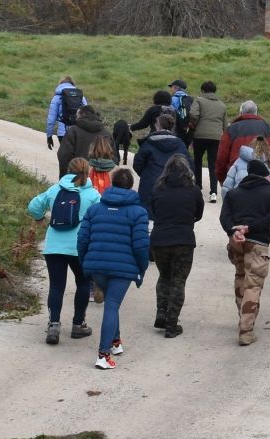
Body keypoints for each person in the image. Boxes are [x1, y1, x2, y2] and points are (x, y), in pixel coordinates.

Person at [77, 167, 150, 370]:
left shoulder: (95, 209)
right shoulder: (139, 213)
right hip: (123, 269)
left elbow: (82, 239)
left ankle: (116, 342)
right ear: (131, 186)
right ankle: (103, 355)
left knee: (111, 302)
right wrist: (141, 269)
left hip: (96, 266)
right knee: (112, 305)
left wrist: (85, 263)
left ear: (111, 183)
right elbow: (141, 245)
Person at [26, 157, 101, 345]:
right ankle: (78, 324)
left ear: (68, 171)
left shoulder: (55, 190)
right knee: (83, 284)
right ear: (88, 172)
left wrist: (40, 216)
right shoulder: (93, 194)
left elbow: (33, 206)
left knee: (56, 285)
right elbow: (100, 218)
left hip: (54, 246)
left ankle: (53, 325)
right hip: (80, 247)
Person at [220, 157, 270, 346]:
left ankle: (243, 317)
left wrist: (235, 230)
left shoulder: (233, 194)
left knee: (240, 276)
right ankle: (246, 331)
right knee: (253, 285)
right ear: (265, 176)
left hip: (236, 242)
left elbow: (225, 219)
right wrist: (249, 228)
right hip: (258, 242)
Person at [148, 156, 204, 338]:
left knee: (164, 276)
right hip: (184, 240)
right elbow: (199, 213)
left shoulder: (157, 189)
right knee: (178, 280)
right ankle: (172, 324)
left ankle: (161, 313)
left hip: (159, 240)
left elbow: (154, 212)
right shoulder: (194, 190)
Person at [216, 100, 270, 187]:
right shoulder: (268, 129)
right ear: (256, 113)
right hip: (264, 177)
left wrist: (222, 177)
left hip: (237, 176)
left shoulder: (232, 129)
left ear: (241, 113)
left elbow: (222, 156)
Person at [132, 114, 189, 211]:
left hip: (150, 184)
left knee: (148, 216)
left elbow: (137, 164)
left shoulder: (148, 143)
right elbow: (189, 165)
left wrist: (146, 174)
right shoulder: (181, 145)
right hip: (173, 185)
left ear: (158, 126)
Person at [188, 81, 228, 202]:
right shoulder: (222, 105)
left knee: (198, 161)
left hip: (200, 135)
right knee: (213, 164)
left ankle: (198, 187)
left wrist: (194, 125)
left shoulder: (199, 100)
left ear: (203, 90)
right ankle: (214, 192)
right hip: (216, 137)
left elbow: (193, 114)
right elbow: (225, 125)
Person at [55, 104, 110, 178]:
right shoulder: (107, 134)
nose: (75, 117)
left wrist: (64, 177)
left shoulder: (73, 131)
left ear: (82, 115)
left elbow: (63, 155)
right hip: (101, 180)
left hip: (77, 179)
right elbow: (114, 158)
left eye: (77, 115)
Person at [44, 76, 88, 153]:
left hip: (63, 132)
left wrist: (49, 136)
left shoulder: (57, 97)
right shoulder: (80, 96)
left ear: (60, 84)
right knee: (78, 158)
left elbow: (51, 120)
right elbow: (87, 114)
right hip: (78, 132)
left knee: (65, 158)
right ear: (72, 84)